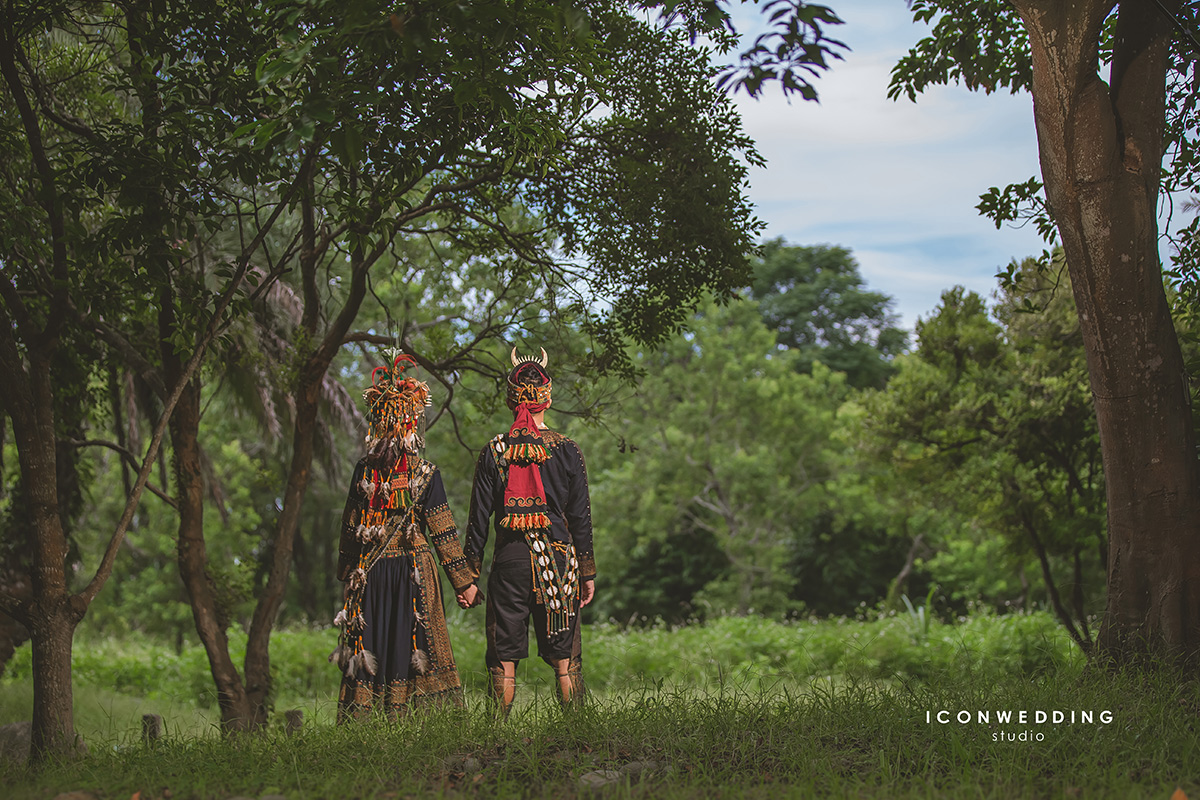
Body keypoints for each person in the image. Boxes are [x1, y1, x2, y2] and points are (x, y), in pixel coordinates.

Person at [331, 351, 478, 721]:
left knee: (376, 638)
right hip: (414, 570)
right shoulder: (425, 472)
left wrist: (347, 573)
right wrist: (464, 582)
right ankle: (416, 716)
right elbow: (442, 530)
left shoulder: (364, 471)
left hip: (371, 572)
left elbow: (351, 530)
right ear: (413, 420)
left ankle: (368, 716)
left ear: (379, 421)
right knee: (411, 641)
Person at [462, 347, 596, 714]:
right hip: (559, 564)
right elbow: (581, 518)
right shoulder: (568, 450)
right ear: (547, 399)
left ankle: (495, 736)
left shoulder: (494, 451)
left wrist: (467, 578)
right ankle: (577, 734)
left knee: (504, 655)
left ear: (511, 399)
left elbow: (478, 520)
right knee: (565, 659)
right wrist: (587, 572)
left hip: (511, 563)